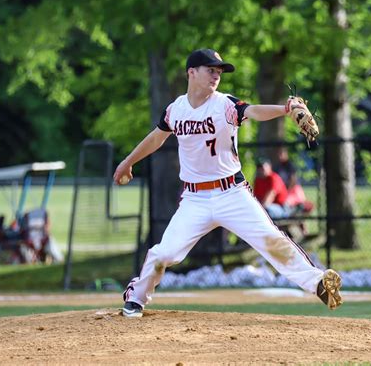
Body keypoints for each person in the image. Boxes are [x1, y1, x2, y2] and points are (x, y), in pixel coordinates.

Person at [113, 48, 343, 318]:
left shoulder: (224, 104)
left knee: (271, 240)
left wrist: (285, 109)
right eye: (211, 69)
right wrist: (127, 162)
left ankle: (317, 283)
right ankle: (136, 298)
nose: (216, 75)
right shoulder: (175, 109)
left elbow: (253, 111)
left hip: (232, 194)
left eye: (219, 71)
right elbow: (156, 138)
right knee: (164, 254)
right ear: (191, 72)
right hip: (195, 199)